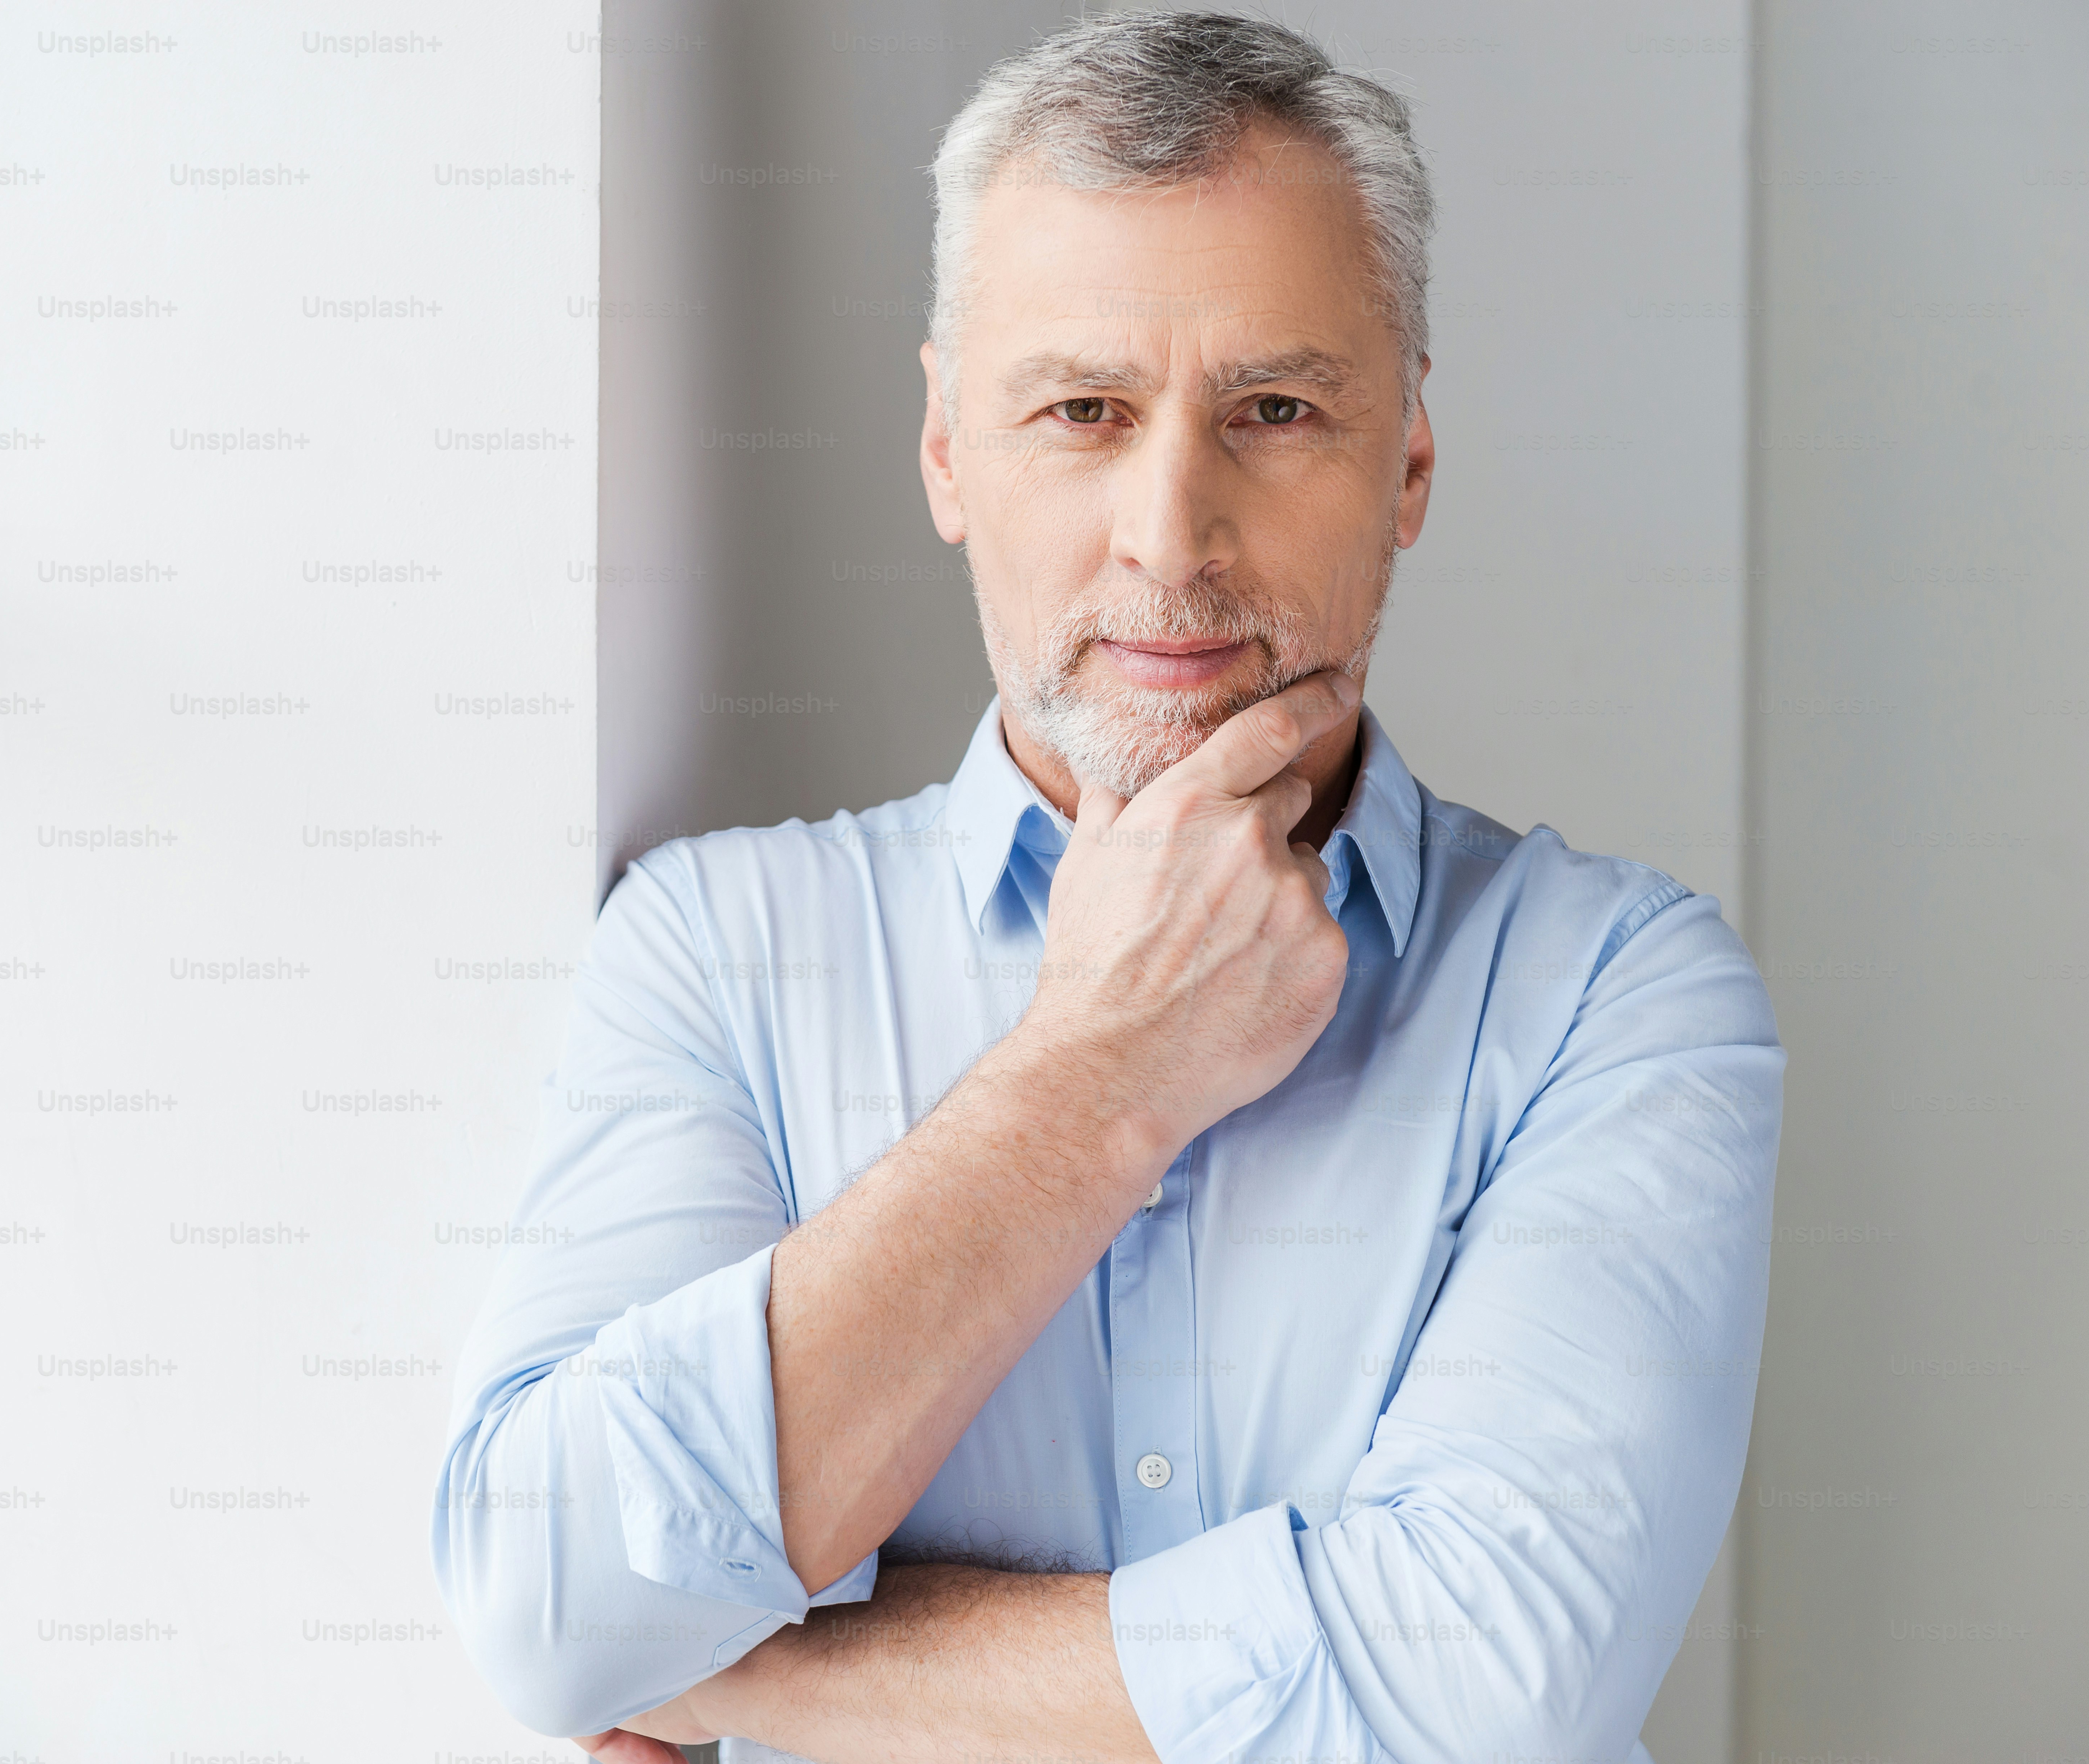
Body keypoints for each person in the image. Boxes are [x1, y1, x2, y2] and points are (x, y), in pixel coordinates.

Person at [432, 13, 1781, 1761]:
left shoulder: (1619, 994)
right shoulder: (714, 950)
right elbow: (547, 1601)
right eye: (1082, 409)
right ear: (944, 453)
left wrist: (757, 1663)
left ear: (1410, 467)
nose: (1169, 531)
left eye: (1276, 409)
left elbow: (1471, 1692)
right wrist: (1096, 1078)